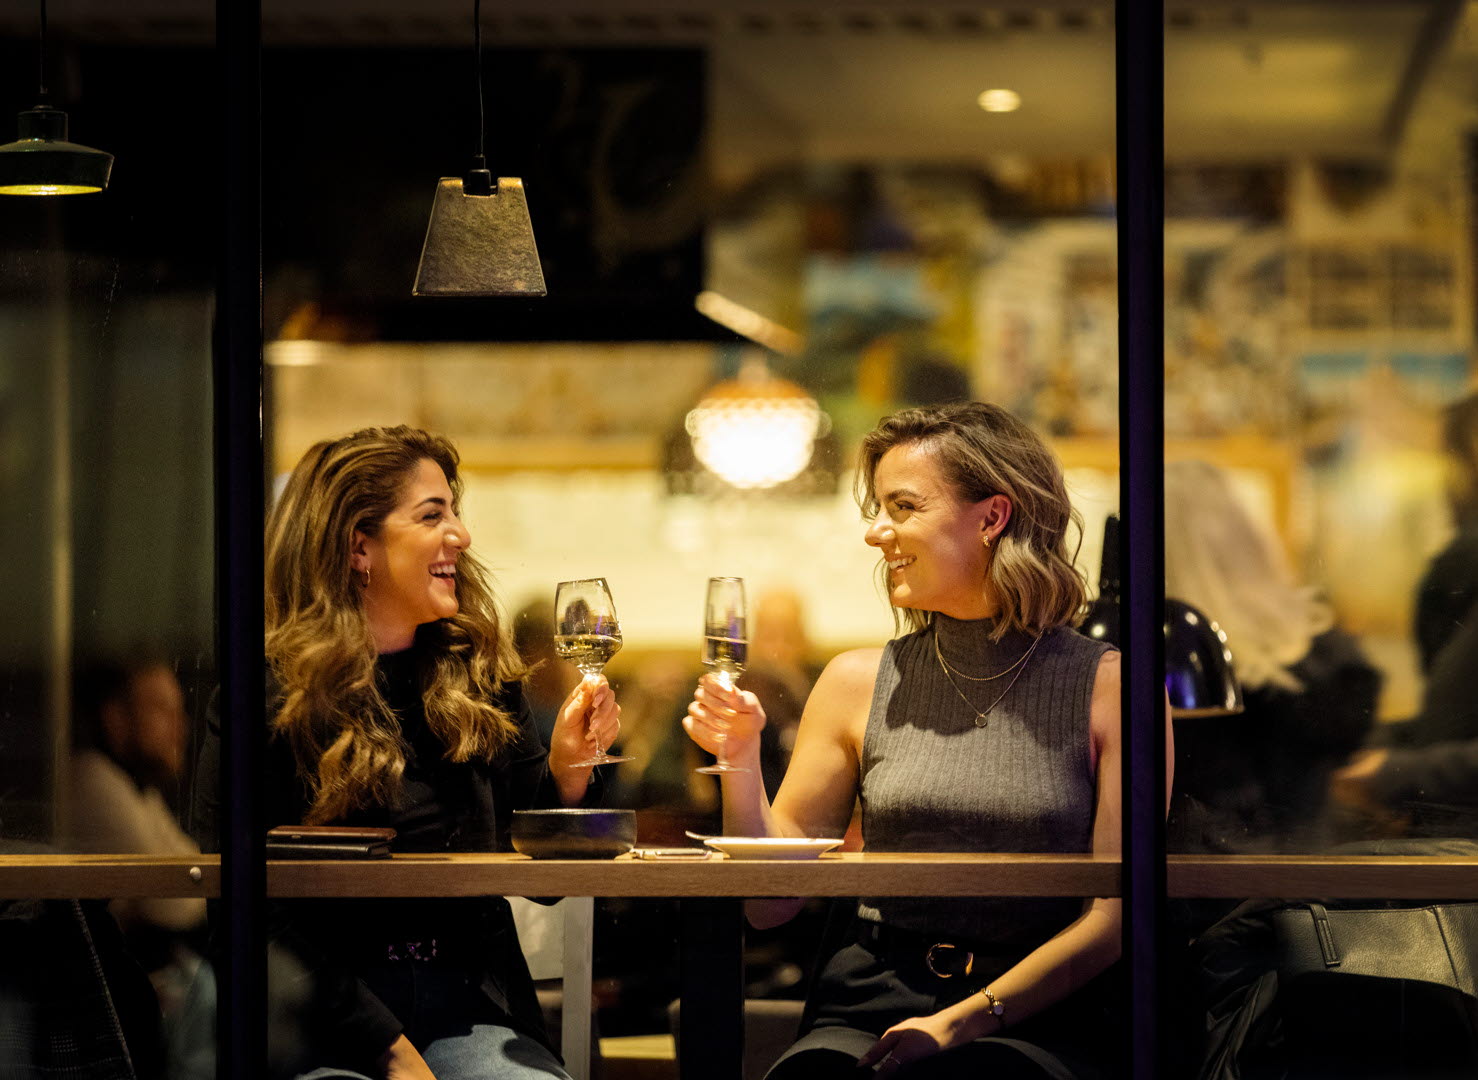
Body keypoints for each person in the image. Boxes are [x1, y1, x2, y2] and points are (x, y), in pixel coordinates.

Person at [684, 402, 1171, 1079]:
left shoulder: (1115, 689)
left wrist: (959, 1020)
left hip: (1042, 1011)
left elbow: (1113, 922)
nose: (876, 533)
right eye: (877, 509)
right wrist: (737, 761)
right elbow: (771, 903)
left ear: (992, 517)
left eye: (903, 507)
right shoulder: (855, 682)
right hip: (869, 999)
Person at [194, 425, 620, 1080]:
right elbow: (241, 911)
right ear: (359, 547)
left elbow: (543, 884)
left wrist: (568, 772)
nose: (462, 535)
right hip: (321, 1018)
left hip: (468, 1004)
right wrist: (387, 1049)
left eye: (455, 510)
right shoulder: (265, 697)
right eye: (433, 515)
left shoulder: (477, 673)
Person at [1161, 460, 1379, 853]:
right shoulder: (1324, 656)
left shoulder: (1134, 658)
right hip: (1307, 886)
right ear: (1248, 536)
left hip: (1186, 889)